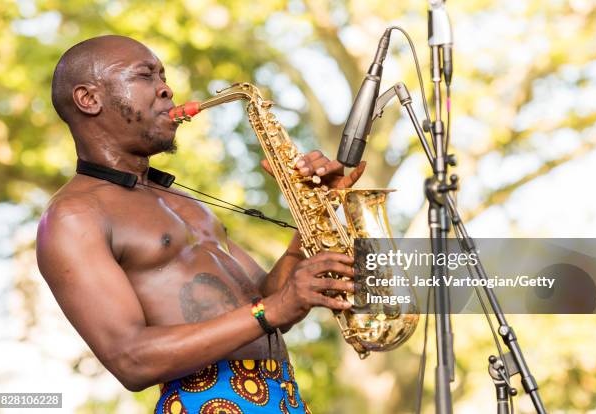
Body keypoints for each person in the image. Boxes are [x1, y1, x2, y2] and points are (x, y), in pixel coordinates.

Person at [36, 35, 366, 414]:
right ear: (88, 99)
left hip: (283, 397)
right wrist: (272, 310)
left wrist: (314, 214)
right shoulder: (74, 215)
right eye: (146, 76)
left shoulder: (183, 201)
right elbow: (131, 359)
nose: (167, 89)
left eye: (163, 75)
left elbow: (265, 300)